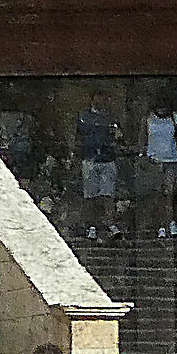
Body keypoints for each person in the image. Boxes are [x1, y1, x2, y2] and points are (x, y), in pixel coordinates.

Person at [75, 91, 121, 241]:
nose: (100, 101)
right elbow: (78, 136)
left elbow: (118, 135)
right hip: (90, 160)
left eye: (103, 98)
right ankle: (92, 227)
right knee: (90, 196)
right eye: (97, 98)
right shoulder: (83, 117)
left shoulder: (111, 117)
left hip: (107, 159)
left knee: (108, 195)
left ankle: (110, 224)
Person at [142, 92, 177, 239]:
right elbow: (143, 138)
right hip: (154, 160)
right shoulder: (148, 119)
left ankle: (171, 222)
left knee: (169, 193)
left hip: (172, 159)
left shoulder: (174, 117)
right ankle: (160, 225)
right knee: (158, 194)